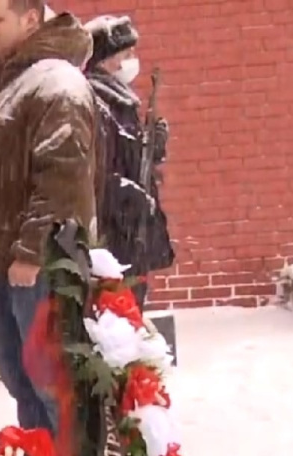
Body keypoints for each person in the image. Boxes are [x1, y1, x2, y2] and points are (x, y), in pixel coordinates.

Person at [0, 0, 97, 436]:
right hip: (5, 263)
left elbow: (62, 177)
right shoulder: (14, 81)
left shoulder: (56, 84)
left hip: (38, 266)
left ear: (31, 19)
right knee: (22, 380)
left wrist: (31, 252)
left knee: (51, 384)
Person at [84, 15, 174, 308]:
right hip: (116, 230)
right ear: (107, 57)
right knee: (120, 310)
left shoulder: (120, 100)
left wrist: (151, 145)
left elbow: (129, 157)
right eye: (127, 52)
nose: (133, 59)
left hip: (129, 226)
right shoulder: (98, 102)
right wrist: (135, 198)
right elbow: (104, 169)